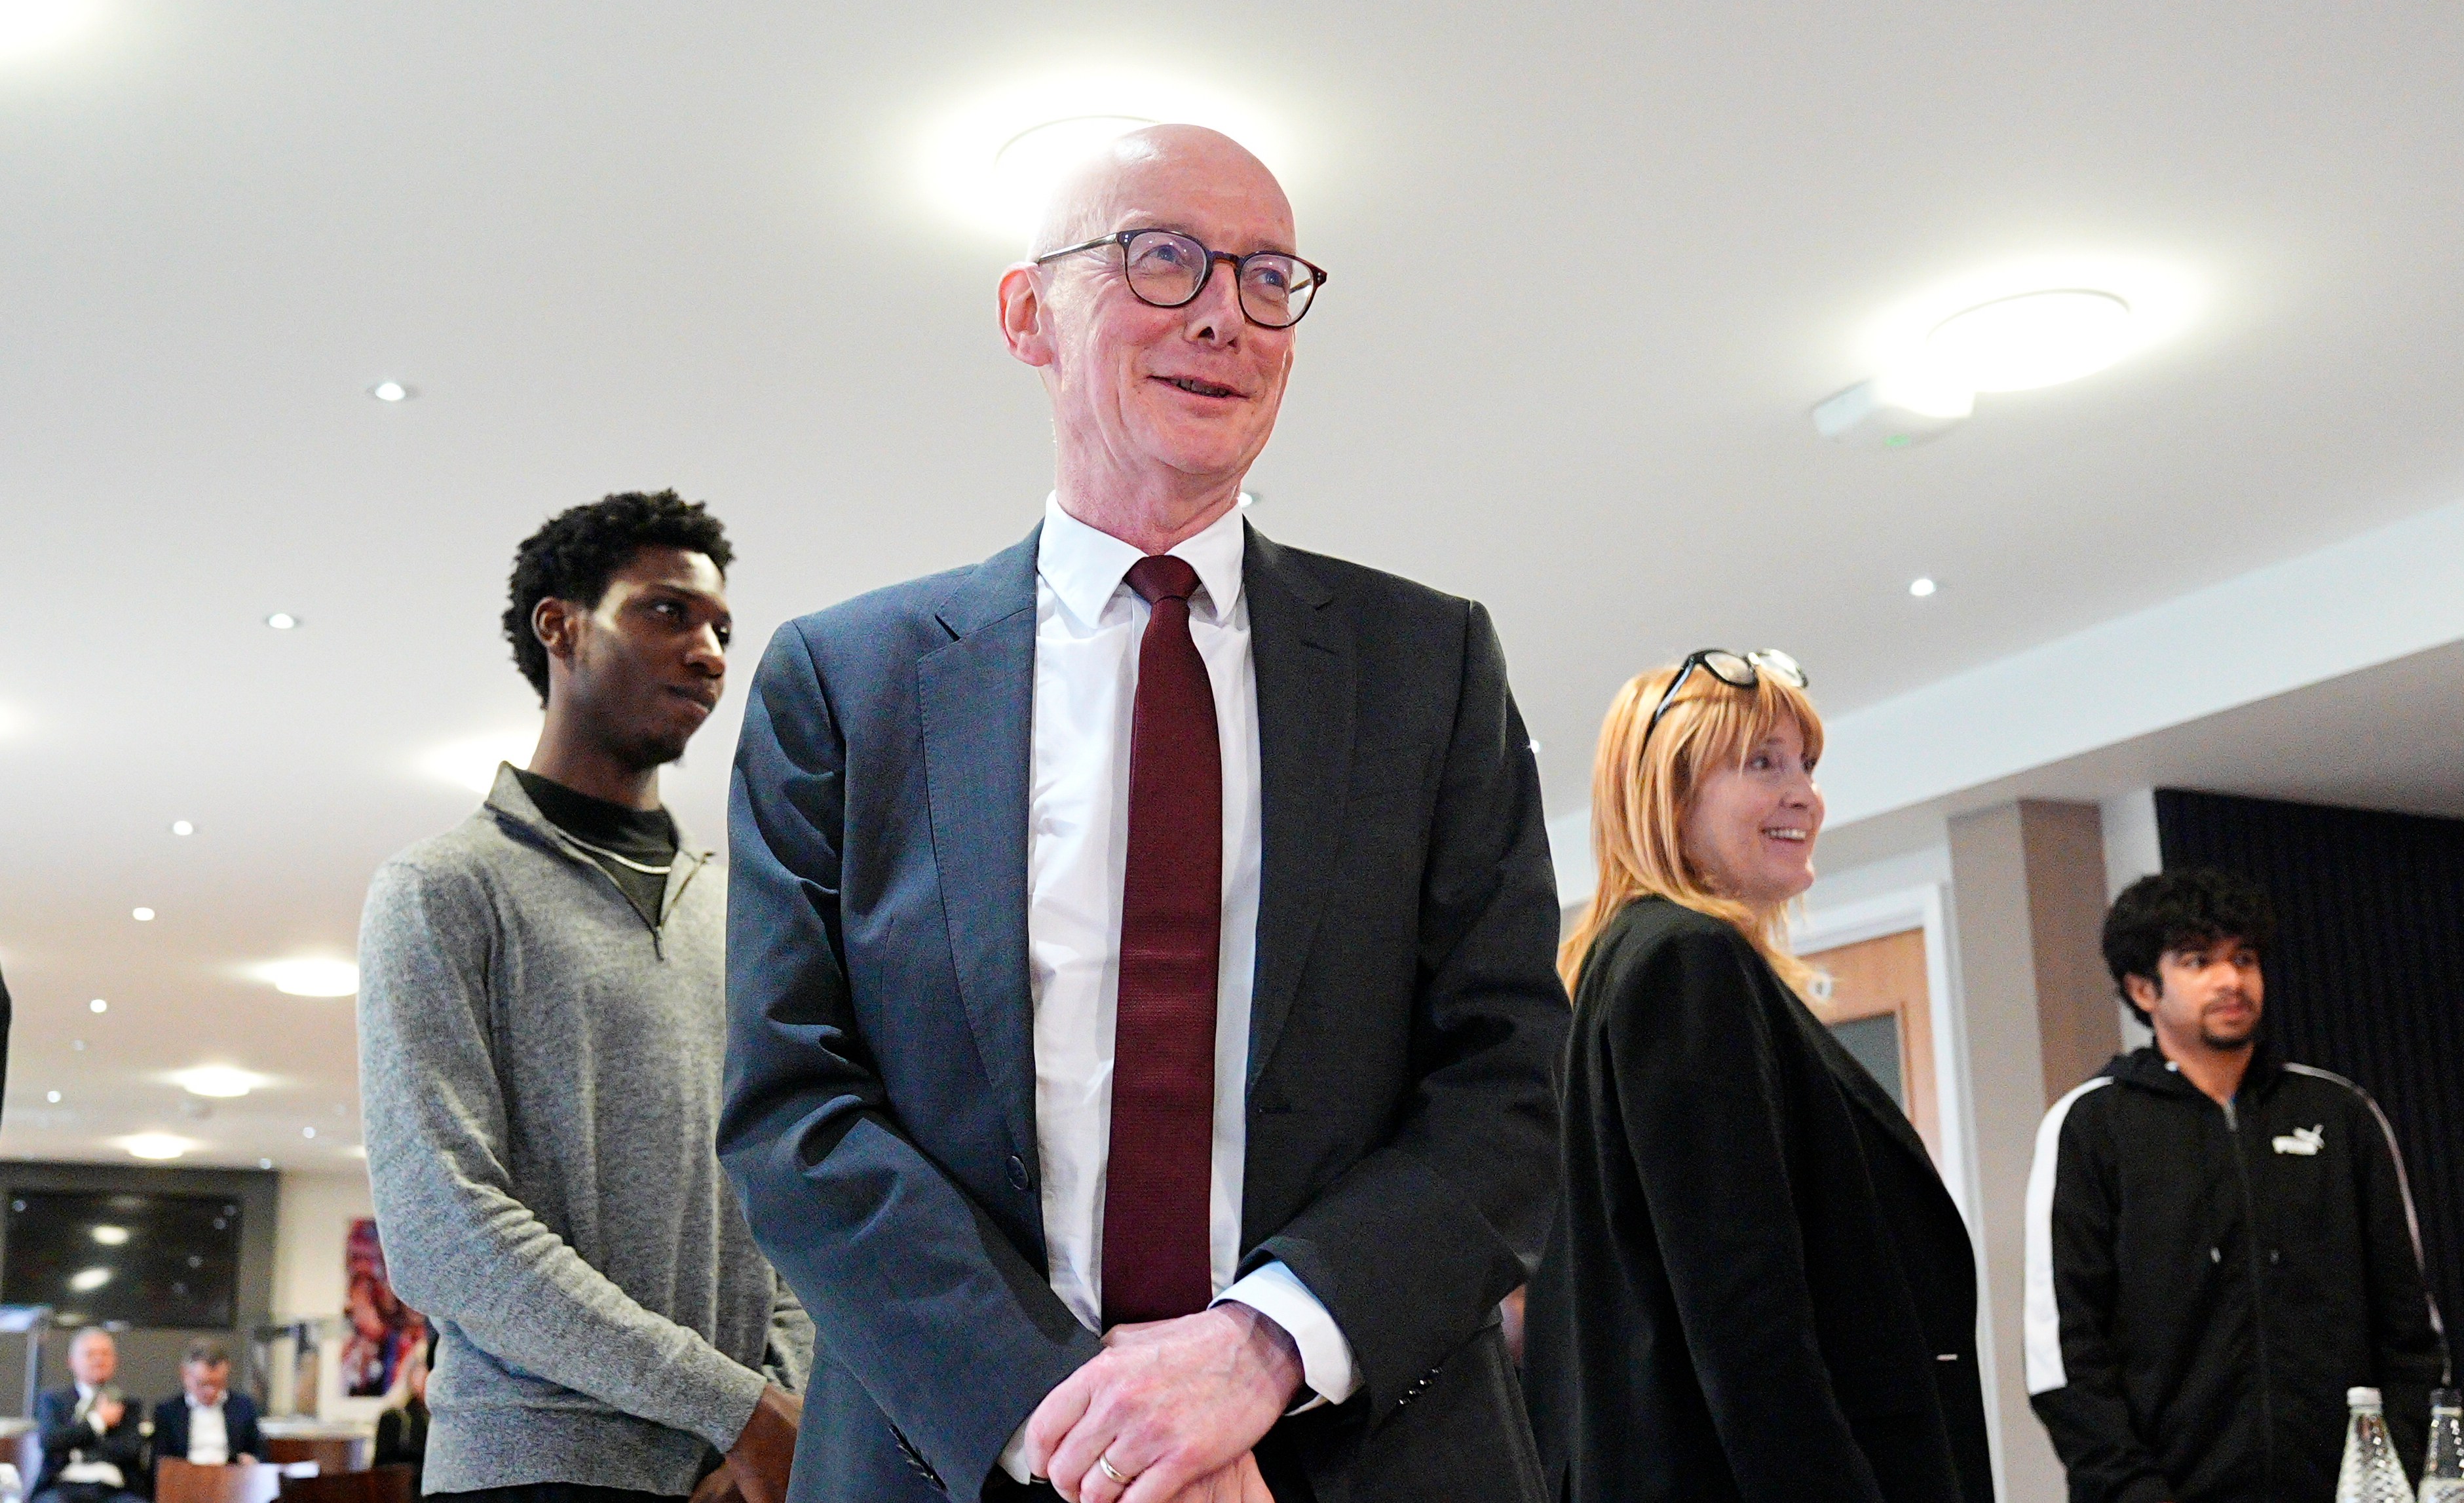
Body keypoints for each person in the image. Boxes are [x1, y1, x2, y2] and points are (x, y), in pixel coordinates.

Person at [721, 125, 1569, 1503]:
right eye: (1161, 258)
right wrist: (1089, 1425)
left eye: (1267, 276)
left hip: (1364, 1450)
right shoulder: (844, 684)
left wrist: (1261, 1349)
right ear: (1027, 315)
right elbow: (792, 1108)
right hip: (963, 1452)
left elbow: (1509, 1081)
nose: (1224, 314)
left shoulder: (1430, 667)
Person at [358, 491, 813, 1503]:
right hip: (532, 1472)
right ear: (559, 626)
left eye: (722, 629)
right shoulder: (444, 889)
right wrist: (736, 1405)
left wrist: (778, 1406)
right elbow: (445, 1234)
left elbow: (782, 1194)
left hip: (738, 1476)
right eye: (667, 611)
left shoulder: (739, 914)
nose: (709, 653)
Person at [1523, 652, 1994, 1503]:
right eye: (1761, 763)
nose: (1803, 795)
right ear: (1668, 792)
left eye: (1805, 764)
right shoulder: (1685, 959)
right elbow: (1745, 1312)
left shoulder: (1627, 963)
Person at [2026, 868, 2444, 1503]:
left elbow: (2409, 1324)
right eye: (2198, 961)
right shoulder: (2090, 1125)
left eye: (2243, 958)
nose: (2231, 980)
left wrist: (2395, 1472)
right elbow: (2064, 1350)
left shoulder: (2340, 1113)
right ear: (2142, 988)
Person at [31, 1327, 145, 1503]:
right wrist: (99, 1422)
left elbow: (129, 1450)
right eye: (90, 1354)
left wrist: (77, 1447)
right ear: (71, 1362)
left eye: (105, 1354)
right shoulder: (54, 1400)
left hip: (113, 1489)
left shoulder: (127, 1405)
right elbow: (50, 1441)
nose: (99, 1360)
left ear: (115, 1361)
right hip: (63, 1486)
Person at [149, 1341, 267, 1468]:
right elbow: (160, 1463)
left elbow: (260, 1453)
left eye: (218, 1384)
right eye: (203, 1384)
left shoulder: (243, 1408)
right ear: (185, 1374)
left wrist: (251, 1460)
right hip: (186, 1476)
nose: (211, 1392)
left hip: (230, 1475)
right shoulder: (168, 1412)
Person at [375, 1333, 435, 1472]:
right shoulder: (394, 1418)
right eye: (427, 1369)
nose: (430, 1377)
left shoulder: (446, 1420)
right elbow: (383, 1473)